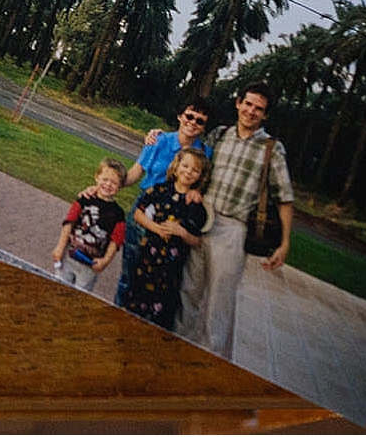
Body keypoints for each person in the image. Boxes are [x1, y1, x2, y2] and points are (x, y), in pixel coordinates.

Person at [178, 85, 295, 358]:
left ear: (265, 115)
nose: (251, 111)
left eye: (259, 108)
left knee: (219, 302)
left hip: (233, 230)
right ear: (238, 103)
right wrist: (155, 136)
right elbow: (190, 153)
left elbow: (285, 199)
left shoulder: (271, 149)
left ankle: (208, 357)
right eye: (248, 104)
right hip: (201, 219)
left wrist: (285, 244)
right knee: (188, 290)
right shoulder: (219, 135)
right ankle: (178, 345)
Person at [113, 99, 215, 310]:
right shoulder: (159, 141)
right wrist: (111, 184)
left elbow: (203, 182)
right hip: (145, 213)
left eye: (200, 120)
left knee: (161, 281)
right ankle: (118, 312)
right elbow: (136, 172)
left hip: (175, 222)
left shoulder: (205, 153)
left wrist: (198, 191)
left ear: (204, 127)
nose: (193, 122)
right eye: (189, 116)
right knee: (130, 271)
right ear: (180, 116)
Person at [120, 149, 210, 330]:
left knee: (159, 314)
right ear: (176, 167)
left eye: (195, 170)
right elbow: (138, 213)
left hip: (170, 271)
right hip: (145, 261)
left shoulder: (196, 205)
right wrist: (156, 228)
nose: (188, 171)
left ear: (200, 176)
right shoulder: (159, 190)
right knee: (134, 303)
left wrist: (182, 232)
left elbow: (197, 241)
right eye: (185, 166)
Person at [52, 159, 128, 294]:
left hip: (90, 265)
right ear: (97, 177)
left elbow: (116, 242)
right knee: (58, 290)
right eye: (105, 179)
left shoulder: (118, 214)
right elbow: (69, 223)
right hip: (69, 256)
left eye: (114, 182)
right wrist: (60, 247)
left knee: (79, 297)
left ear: (120, 186)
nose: (108, 184)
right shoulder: (84, 199)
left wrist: (105, 261)